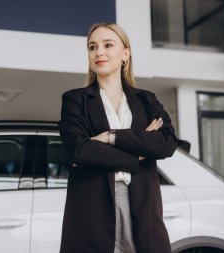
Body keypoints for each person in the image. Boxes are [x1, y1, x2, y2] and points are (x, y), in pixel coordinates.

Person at [58, 22, 177, 253]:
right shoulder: (74, 100)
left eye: (107, 45)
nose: (98, 52)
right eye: (92, 47)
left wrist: (110, 136)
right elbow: (80, 151)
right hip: (93, 207)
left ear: (125, 53)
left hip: (142, 204)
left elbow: (166, 143)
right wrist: (139, 152)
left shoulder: (147, 100)